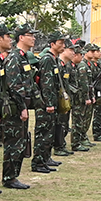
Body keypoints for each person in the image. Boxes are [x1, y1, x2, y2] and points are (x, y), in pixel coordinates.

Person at [0, 25, 37, 190]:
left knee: (21, 142)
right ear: (21, 37)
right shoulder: (14, 57)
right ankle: (9, 177)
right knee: (14, 143)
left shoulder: (24, 57)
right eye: (30, 35)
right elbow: (14, 85)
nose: (33, 38)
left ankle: (13, 175)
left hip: (21, 106)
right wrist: (22, 106)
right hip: (14, 107)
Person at [31, 34, 66, 174]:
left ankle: (46, 158)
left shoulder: (54, 59)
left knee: (49, 133)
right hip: (46, 104)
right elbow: (46, 84)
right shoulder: (47, 60)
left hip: (52, 102)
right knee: (43, 133)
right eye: (60, 43)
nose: (63, 46)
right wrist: (49, 103)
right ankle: (38, 162)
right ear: (52, 44)